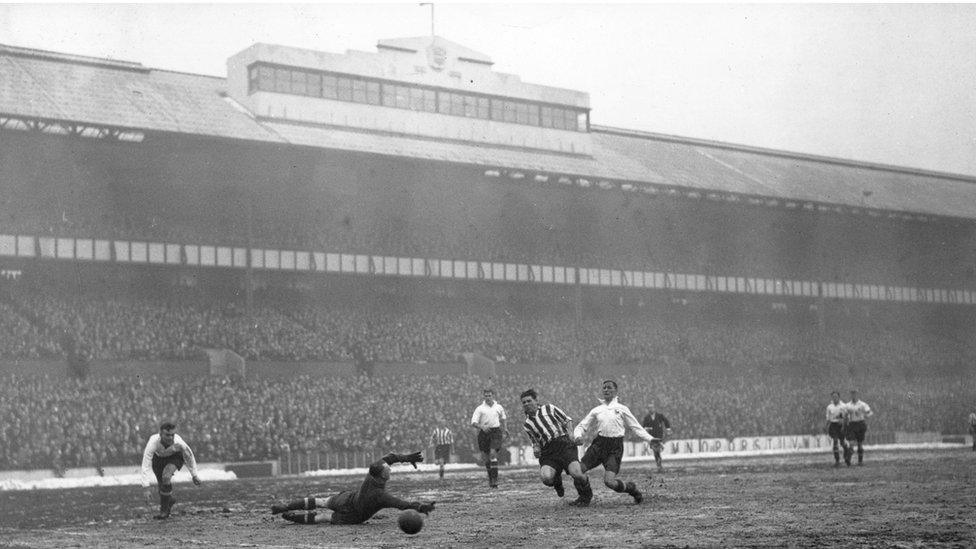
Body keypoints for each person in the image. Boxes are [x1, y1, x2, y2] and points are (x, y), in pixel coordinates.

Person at [270, 451, 436, 524]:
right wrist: (421, 507)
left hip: (349, 499)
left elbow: (389, 458)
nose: (389, 468)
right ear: (382, 475)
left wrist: (406, 457)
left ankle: (285, 508)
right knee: (323, 518)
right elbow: (402, 504)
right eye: (388, 469)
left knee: (322, 501)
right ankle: (291, 518)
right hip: (355, 516)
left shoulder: (373, 471)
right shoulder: (379, 495)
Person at [572, 379, 659, 506]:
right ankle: (585, 497)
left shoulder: (622, 409)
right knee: (577, 471)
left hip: (615, 448)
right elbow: (581, 426)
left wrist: (650, 439)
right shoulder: (597, 410)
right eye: (604, 388)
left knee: (609, 482)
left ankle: (631, 489)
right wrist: (578, 436)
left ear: (615, 391)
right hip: (599, 445)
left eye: (609, 387)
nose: (606, 390)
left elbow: (636, 427)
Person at [519, 388, 593, 504]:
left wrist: (571, 435)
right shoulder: (527, 424)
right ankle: (557, 482)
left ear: (536, 401)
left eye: (529, 401)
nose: (526, 404)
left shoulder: (549, 408)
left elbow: (566, 420)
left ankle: (586, 494)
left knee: (577, 473)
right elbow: (535, 441)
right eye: (524, 402)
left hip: (564, 445)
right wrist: (536, 448)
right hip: (548, 452)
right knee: (547, 479)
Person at [141, 421, 202, 520]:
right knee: (162, 487)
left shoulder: (179, 442)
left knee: (166, 476)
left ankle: (164, 512)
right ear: (160, 434)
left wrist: (194, 475)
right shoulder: (153, 443)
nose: (170, 438)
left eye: (172, 435)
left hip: (175, 457)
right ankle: (169, 500)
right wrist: (146, 488)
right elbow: (145, 464)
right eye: (167, 435)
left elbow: (189, 456)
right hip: (158, 459)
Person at [470, 388, 508, 488]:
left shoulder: (498, 407)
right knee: (486, 458)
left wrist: (505, 429)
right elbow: (473, 422)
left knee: (492, 453)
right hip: (484, 433)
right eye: (486, 396)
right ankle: (491, 478)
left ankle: (495, 480)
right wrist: (481, 426)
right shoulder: (480, 408)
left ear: (493, 396)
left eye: (489, 395)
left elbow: (503, 418)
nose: (488, 397)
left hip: (495, 432)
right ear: (484, 396)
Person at [845, 390, 874, 465]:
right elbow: (844, 415)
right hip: (851, 424)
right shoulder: (847, 405)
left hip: (860, 424)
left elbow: (870, 413)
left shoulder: (863, 404)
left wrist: (863, 414)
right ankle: (848, 459)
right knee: (851, 443)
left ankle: (860, 461)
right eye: (852, 394)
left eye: (855, 394)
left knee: (859, 443)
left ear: (857, 395)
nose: (853, 396)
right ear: (850, 395)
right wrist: (846, 417)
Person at [641, 402, 672, 470]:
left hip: (659, 436)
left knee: (657, 450)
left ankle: (659, 463)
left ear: (654, 408)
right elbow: (644, 427)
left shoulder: (660, 416)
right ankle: (659, 463)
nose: (650, 409)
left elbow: (666, 421)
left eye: (651, 408)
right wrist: (647, 429)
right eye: (649, 408)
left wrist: (668, 429)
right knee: (656, 451)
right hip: (651, 437)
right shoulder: (647, 418)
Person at [825, 391, 853, 467]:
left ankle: (847, 451)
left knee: (842, 442)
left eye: (836, 397)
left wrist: (844, 423)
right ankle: (837, 460)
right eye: (833, 397)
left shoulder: (843, 406)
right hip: (833, 425)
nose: (835, 398)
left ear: (839, 397)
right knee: (835, 440)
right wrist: (826, 427)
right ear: (832, 398)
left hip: (841, 425)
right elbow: (828, 418)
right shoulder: (829, 407)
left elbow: (847, 417)